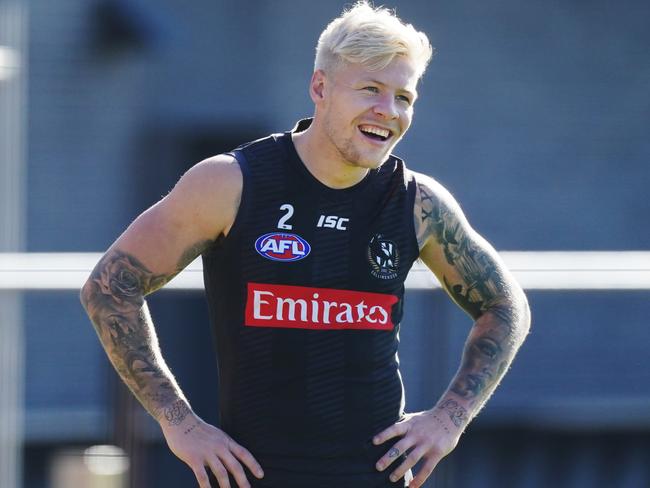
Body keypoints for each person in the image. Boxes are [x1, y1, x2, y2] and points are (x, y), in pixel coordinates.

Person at [80, 2, 530, 487]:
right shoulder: (231, 183)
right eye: (370, 90)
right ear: (320, 88)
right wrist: (179, 424)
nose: (388, 111)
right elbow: (110, 287)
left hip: (375, 476)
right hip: (251, 476)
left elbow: (506, 307)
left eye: (404, 97)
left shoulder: (418, 202)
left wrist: (449, 419)